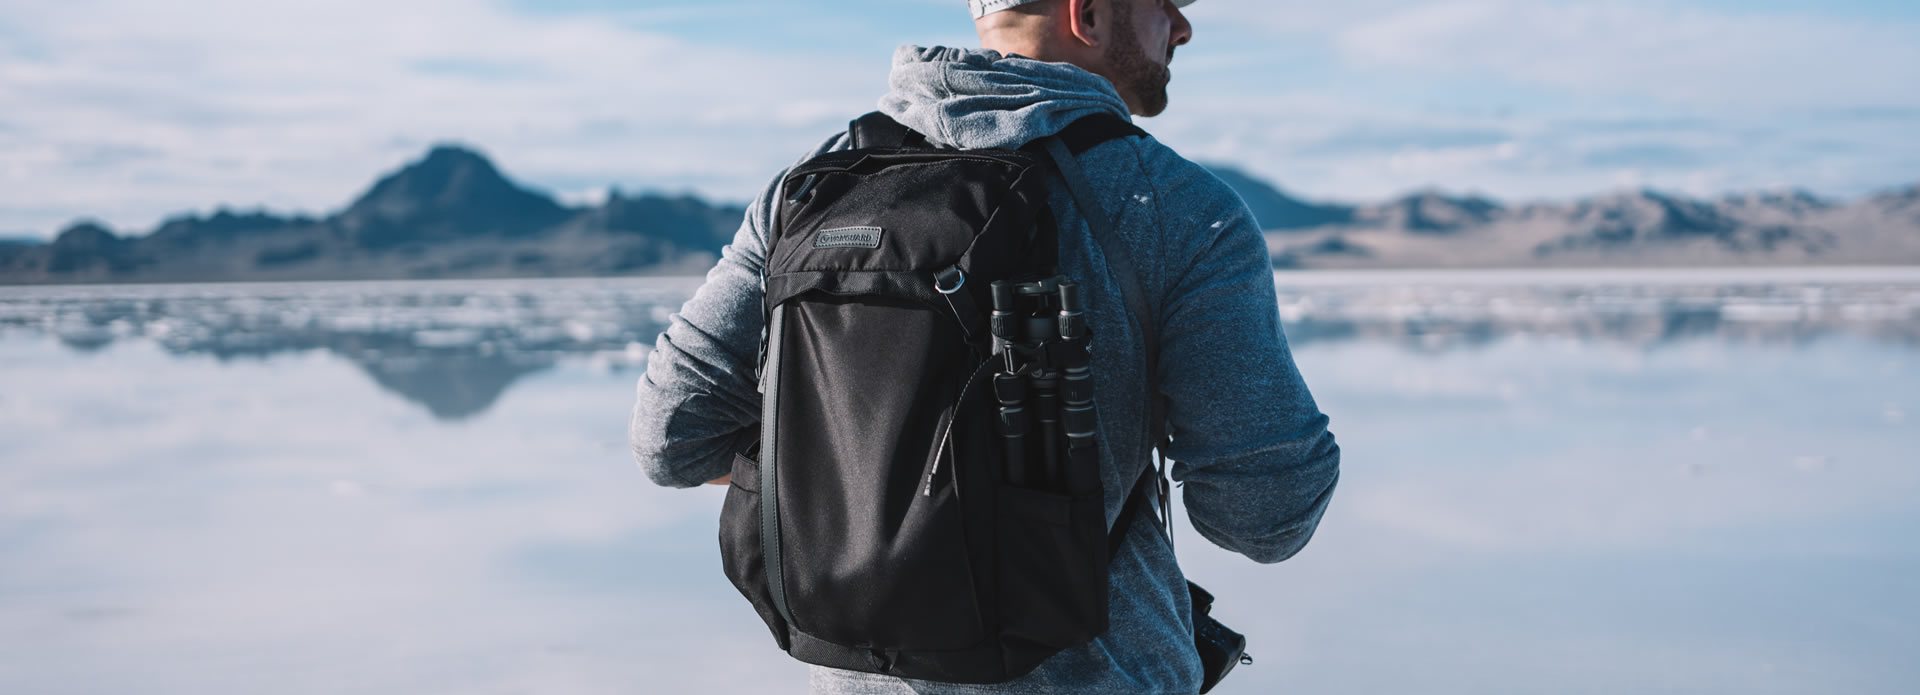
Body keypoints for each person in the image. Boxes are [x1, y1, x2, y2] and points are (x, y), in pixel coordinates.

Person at [630, 0, 1341, 692]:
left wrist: (848, 468)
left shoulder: (813, 187)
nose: (1182, 25)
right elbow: (1266, 513)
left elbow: (671, 436)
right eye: (1165, 3)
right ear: (1086, 14)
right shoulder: (1174, 205)